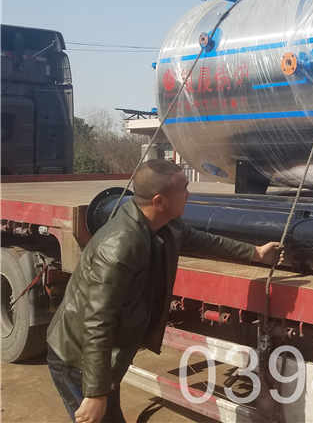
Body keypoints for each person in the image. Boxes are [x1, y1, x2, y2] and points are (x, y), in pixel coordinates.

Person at [46, 160, 283, 423]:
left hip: (101, 360)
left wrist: (255, 252)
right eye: (184, 189)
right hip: (78, 359)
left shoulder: (164, 224)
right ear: (159, 201)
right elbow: (97, 323)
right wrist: (95, 393)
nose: (189, 195)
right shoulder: (118, 248)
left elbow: (203, 241)